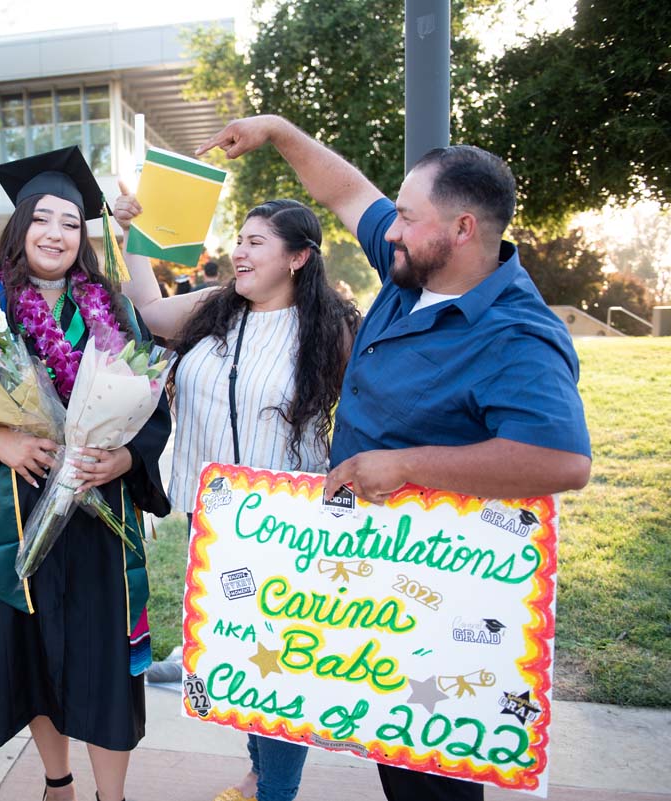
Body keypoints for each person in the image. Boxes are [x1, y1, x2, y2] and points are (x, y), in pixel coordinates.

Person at [197, 115, 592, 801]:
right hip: (370, 568)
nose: (391, 229)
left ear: (463, 228)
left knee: (426, 775)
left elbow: (561, 459)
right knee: (380, 737)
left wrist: (408, 465)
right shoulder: (414, 264)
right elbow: (347, 191)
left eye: (407, 217)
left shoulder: (519, 335)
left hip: (439, 591)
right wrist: (280, 132)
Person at [0, 146, 172, 801]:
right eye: (42, 219)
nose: (55, 233)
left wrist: (124, 457)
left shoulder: (110, 305)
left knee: (104, 656)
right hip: (12, 510)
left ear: (81, 235)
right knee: (28, 654)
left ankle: (111, 795)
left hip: (96, 512)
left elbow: (149, 399)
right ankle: (59, 782)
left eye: (68, 222)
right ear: (21, 225)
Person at [115, 196, 359, 801]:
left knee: (279, 667)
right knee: (246, 663)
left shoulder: (333, 327)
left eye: (256, 242)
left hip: (288, 523)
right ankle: (258, 776)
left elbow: (371, 412)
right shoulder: (213, 307)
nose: (239, 251)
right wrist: (131, 233)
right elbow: (147, 312)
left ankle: (275, 790)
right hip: (212, 515)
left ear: (298, 257)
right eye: (240, 239)